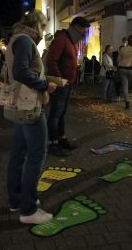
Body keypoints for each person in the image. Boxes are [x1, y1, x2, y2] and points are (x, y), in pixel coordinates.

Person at [6, 9, 57, 224]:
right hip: (30, 106)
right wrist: (45, 84)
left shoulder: (15, 39)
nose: (43, 33)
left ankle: (16, 200)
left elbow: (15, 72)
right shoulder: (26, 41)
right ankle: (28, 210)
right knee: (36, 157)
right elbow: (21, 72)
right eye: (43, 27)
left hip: (18, 106)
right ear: (37, 25)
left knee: (18, 155)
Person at [46, 16, 90, 157]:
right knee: (55, 115)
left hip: (67, 84)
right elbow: (51, 60)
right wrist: (60, 80)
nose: (84, 34)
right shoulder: (61, 39)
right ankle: (52, 144)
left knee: (61, 113)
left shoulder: (71, 41)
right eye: (83, 30)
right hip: (61, 84)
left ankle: (61, 139)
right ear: (75, 27)